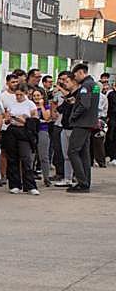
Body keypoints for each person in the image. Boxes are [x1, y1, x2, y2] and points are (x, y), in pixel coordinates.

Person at [62, 62, 100, 193]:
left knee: (72, 151)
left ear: (80, 73)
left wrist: (73, 116)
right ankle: (85, 182)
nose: (74, 78)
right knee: (84, 153)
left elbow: (85, 105)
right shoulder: (94, 85)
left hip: (81, 123)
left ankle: (82, 182)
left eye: (75, 75)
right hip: (89, 123)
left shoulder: (85, 86)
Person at [2, 83, 40, 194]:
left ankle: (30, 185)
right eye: (16, 95)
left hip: (24, 131)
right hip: (12, 130)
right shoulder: (12, 104)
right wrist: (9, 119)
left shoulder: (30, 104)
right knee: (12, 158)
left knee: (26, 158)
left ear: (26, 93)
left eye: (20, 95)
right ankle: (15, 184)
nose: (18, 97)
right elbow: (7, 119)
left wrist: (25, 120)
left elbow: (35, 119)